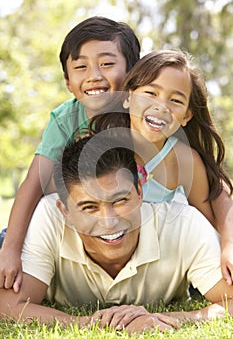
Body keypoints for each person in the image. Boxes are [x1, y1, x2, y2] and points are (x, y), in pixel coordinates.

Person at [0, 132, 233, 334]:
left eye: (121, 200)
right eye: (89, 207)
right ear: (66, 211)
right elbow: (8, 306)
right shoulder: (48, 218)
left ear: (140, 192)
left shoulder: (185, 224)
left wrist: (165, 319)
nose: (109, 221)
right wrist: (91, 323)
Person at [0, 16, 140, 292]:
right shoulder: (66, 118)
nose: (93, 76)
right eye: (80, 67)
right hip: (66, 227)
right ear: (67, 81)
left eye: (107, 64)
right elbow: (34, 183)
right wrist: (11, 248)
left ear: (132, 71)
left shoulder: (145, 114)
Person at [90, 49, 233, 284]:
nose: (161, 106)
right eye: (150, 93)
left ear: (186, 116)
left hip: (156, 273)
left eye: (175, 100)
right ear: (127, 97)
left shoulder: (182, 160)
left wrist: (228, 245)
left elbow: (209, 221)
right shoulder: (101, 149)